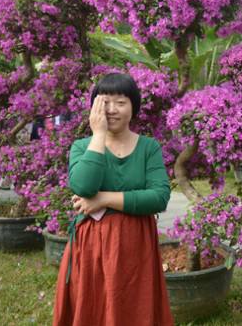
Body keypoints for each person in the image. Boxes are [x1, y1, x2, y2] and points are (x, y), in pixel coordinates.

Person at [52, 73, 174, 326]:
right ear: (94, 107)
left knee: (133, 306)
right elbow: (84, 186)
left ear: (134, 107)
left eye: (120, 102)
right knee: (93, 307)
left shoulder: (148, 148)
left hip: (135, 244)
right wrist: (98, 135)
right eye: (104, 102)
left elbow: (159, 197)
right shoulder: (81, 147)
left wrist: (104, 199)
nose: (111, 109)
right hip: (92, 246)